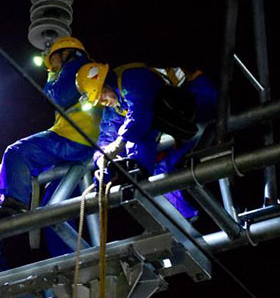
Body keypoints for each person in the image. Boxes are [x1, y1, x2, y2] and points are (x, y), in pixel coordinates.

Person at [76, 62, 218, 219]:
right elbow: (106, 138)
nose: (102, 101)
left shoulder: (132, 78)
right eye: (98, 100)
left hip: (199, 98)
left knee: (141, 140)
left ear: (106, 82)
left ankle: (138, 170)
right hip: (181, 124)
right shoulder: (114, 106)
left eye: (101, 94)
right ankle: (184, 218)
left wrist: (120, 144)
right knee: (157, 174)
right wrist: (101, 161)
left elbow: (140, 112)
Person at [0, 36, 102, 218]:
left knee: (17, 153)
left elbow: (57, 97)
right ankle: (68, 247)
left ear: (66, 53)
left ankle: (14, 201)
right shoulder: (91, 70)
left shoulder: (75, 68)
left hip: (72, 139)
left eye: (54, 59)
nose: (52, 65)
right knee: (54, 211)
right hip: (87, 144)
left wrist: (51, 75)